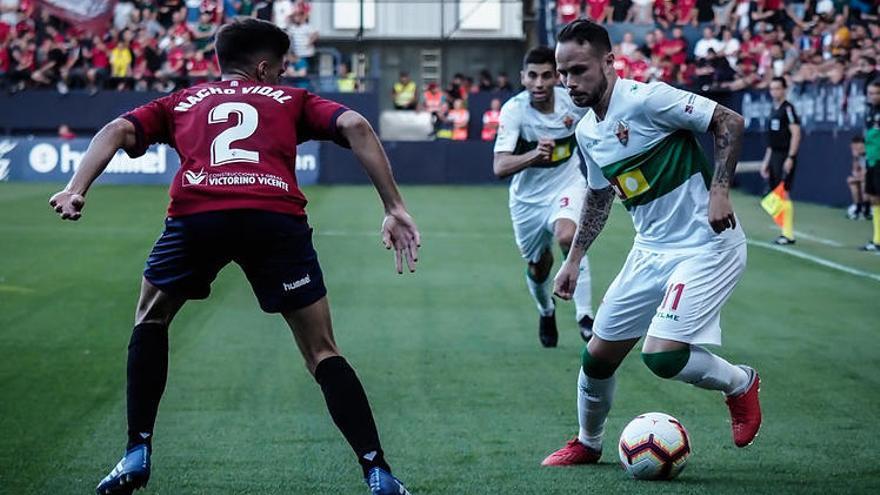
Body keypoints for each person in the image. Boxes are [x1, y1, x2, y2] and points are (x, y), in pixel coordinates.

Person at [48, 18, 417, 495]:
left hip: (197, 215)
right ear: (263, 68)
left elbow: (117, 129)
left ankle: (136, 451)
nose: (283, 77)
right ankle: (378, 472)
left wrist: (77, 188)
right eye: (281, 69)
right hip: (274, 217)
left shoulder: (182, 100)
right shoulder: (293, 100)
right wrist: (393, 206)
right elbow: (355, 124)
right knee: (322, 350)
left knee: (150, 318)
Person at [542, 19, 761, 467]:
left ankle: (741, 383)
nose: (569, 82)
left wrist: (719, 191)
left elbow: (728, 121)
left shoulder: (649, 99)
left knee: (661, 356)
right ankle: (589, 441)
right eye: (563, 73)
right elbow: (600, 199)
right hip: (650, 250)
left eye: (578, 70)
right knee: (598, 356)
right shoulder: (587, 131)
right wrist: (573, 260)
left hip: (707, 245)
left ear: (608, 61)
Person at [492, 46, 595, 347]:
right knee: (540, 266)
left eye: (547, 76)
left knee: (568, 236)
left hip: (568, 182)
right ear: (523, 78)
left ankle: (586, 317)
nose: (539, 83)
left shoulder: (573, 103)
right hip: (527, 199)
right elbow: (500, 166)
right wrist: (534, 155)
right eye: (533, 76)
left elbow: (606, 113)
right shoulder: (514, 111)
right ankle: (546, 310)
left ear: (557, 77)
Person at [760, 77, 800, 245]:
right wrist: (766, 161)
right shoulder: (772, 109)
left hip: (784, 154)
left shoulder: (788, 109)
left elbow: (796, 133)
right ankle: (785, 230)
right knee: (774, 195)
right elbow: (771, 140)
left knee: (784, 192)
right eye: (772, 88)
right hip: (774, 154)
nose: (774, 92)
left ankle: (788, 234)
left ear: (784, 89)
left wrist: (791, 157)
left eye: (777, 88)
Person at [862, 80, 880, 251]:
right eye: (871, 93)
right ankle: (877, 239)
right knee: (873, 197)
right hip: (872, 159)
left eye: (877, 93)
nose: (874, 96)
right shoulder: (869, 111)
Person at [846, 136, 870, 220]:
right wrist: (855, 158)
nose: (854, 149)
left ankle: (867, 210)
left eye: (856, 147)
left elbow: (866, 175)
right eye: (853, 147)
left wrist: (855, 178)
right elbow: (855, 172)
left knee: (864, 182)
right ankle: (858, 209)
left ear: (862, 145)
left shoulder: (870, 154)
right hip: (866, 177)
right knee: (852, 183)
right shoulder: (858, 156)